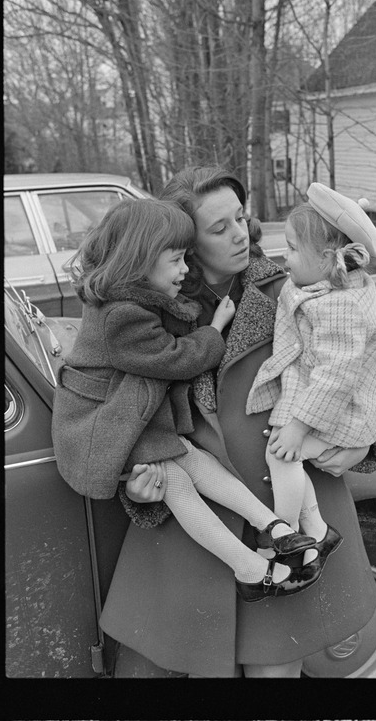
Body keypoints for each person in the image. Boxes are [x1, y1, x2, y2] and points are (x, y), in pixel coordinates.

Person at [99, 167, 376, 678]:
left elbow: (359, 362)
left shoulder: (293, 286)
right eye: (218, 227)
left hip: (289, 508)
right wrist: (135, 488)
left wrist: (364, 445)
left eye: (242, 217)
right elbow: (118, 414)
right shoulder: (144, 317)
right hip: (202, 524)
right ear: (185, 243)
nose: (240, 234)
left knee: (275, 671)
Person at [52, 198, 321, 602]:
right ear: (139, 261)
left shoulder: (132, 301)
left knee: (194, 459)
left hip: (126, 416)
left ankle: (275, 529)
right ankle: (250, 568)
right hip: (101, 426)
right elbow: (176, 359)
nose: (184, 269)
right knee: (177, 480)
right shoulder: (121, 316)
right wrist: (214, 328)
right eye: (177, 260)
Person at [246, 182, 376, 569]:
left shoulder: (338, 305)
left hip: (348, 408)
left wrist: (299, 424)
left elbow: (337, 374)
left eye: (293, 248)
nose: (284, 255)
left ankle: (287, 534)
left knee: (280, 453)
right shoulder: (323, 286)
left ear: (328, 258)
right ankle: (315, 533)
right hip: (336, 401)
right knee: (282, 452)